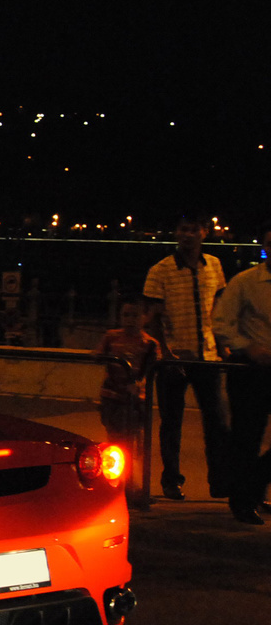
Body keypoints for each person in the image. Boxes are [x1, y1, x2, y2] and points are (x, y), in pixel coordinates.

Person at [141, 217, 230, 500]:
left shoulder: (214, 265)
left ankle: (218, 480)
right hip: (173, 361)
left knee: (216, 422)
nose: (188, 235)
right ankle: (171, 481)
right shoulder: (161, 270)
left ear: (204, 233)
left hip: (208, 358)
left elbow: (218, 307)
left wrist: (222, 345)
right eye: (183, 229)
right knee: (171, 423)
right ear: (176, 233)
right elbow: (153, 319)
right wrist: (166, 353)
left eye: (194, 229)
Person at [212, 222, 271, 525]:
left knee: (249, 440)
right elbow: (221, 323)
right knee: (247, 438)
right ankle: (243, 501)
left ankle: (253, 487)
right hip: (251, 372)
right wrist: (248, 348)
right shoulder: (245, 282)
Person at [93, 296, 161, 456]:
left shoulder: (150, 344)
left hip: (135, 398)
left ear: (145, 317)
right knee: (114, 435)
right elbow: (98, 356)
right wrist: (98, 355)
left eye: (135, 316)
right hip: (111, 395)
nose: (130, 320)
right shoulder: (111, 337)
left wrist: (138, 384)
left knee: (130, 435)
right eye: (126, 315)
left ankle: (130, 469)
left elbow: (151, 369)